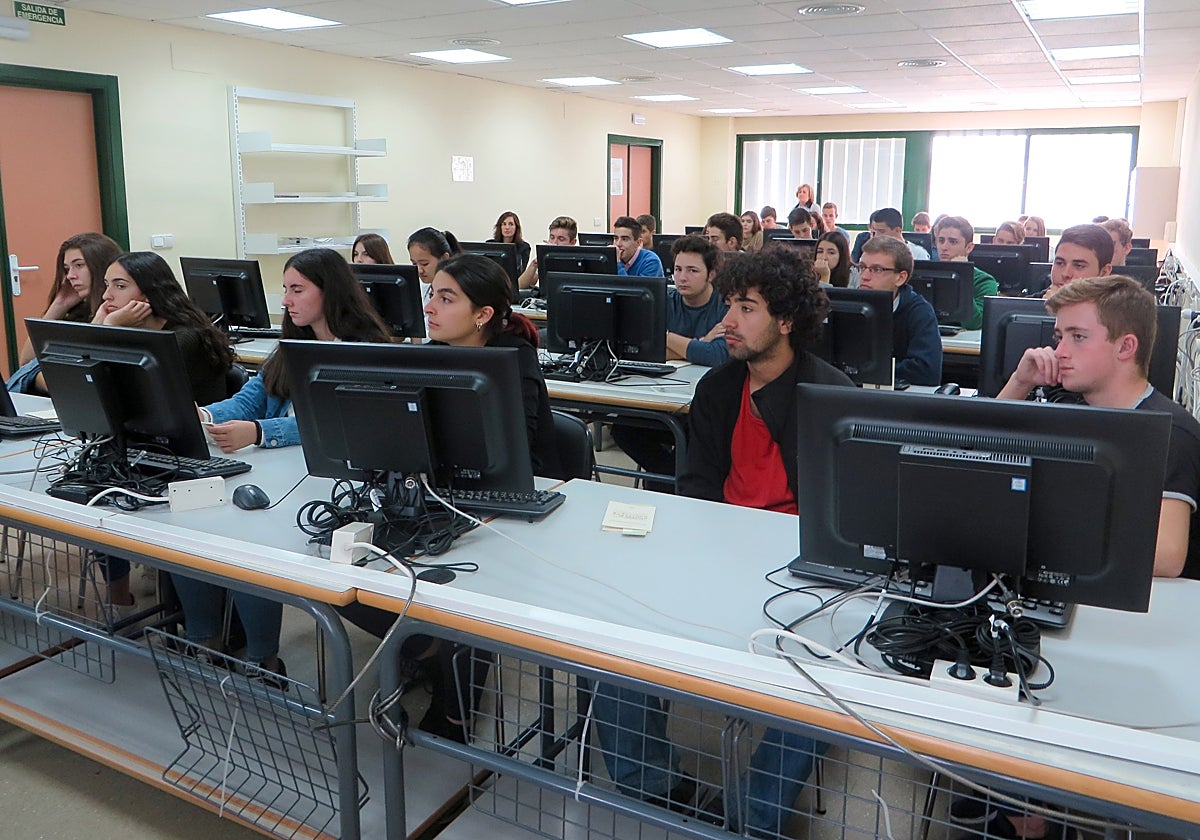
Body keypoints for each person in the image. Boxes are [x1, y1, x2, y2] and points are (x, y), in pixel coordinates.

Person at [594, 246, 853, 836]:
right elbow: (697, 486)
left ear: (786, 321)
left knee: (823, 677)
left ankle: (751, 817)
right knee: (604, 631)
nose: (728, 321)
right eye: (730, 305)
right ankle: (653, 785)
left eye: (747, 308)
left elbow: (840, 517)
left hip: (798, 567)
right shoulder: (717, 387)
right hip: (718, 550)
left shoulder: (828, 396)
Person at [342, 253, 559, 739]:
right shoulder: (430, 349)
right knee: (341, 579)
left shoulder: (513, 358)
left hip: (513, 504)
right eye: (430, 294)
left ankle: (453, 685)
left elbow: (515, 447)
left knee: (465, 589)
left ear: (483, 314)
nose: (429, 306)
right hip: (439, 492)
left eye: (446, 297)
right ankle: (431, 649)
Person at [184, 248, 392, 679]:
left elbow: (339, 424)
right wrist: (205, 415)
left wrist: (260, 432)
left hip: (331, 482)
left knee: (251, 540)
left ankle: (263, 657)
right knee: (192, 527)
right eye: (286, 289)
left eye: (297, 290)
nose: (286, 300)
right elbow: (250, 397)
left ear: (329, 293)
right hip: (278, 474)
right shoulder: (293, 346)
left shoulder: (365, 350)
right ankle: (205, 637)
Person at [997, 274, 1200, 580]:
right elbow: (981, 455)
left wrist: (1034, 536)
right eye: (1059, 337)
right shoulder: (1074, 408)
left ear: (1125, 347)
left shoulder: (1169, 434)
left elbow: (1167, 556)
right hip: (1085, 577)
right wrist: (1020, 382)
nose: (1060, 351)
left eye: (1077, 337)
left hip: (1152, 603)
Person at [93, 251, 235, 618]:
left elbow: (123, 396)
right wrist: (105, 325)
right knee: (95, 483)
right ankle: (119, 598)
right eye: (106, 285)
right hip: (147, 451)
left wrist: (109, 330)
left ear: (149, 294)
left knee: (107, 481)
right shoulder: (135, 333)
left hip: (193, 462)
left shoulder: (184, 339)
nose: (107, 295)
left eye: (119, 286)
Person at [611, 236, 728, 493]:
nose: (682, 277)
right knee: (622, 428)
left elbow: (718, 356)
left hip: (705, 403)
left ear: (712, 274)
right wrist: (698, 343)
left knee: (693, 436)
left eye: (692, 270)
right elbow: (643, 351)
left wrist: (667, 338)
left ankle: (670, 484)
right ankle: (672, 478)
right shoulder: (663, 300)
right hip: (663, 397)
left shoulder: (724, 305)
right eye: (677, 269)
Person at [10, 232, 123, 395]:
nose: (70, 276)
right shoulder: (79, 312)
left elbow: (82, 379)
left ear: (102, 266)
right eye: (67, 268)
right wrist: (59, 305)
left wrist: (36, 377)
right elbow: (26, 363)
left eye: (79, 265)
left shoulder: (119, 312)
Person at [858, 235, 943, 385]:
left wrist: (867, 369)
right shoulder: (849, 306)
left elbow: (926, 371)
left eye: (876, 269)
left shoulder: (920, 312)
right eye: (862, 267)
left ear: (900, 278)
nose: (864, 276)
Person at [932, 215, 999, 331]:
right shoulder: (926, 273)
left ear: (969, 247)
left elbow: (975, 323)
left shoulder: (985, 281)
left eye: (953, 242)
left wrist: (962, 277)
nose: (944, 247)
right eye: (941, 240)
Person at [1043, 223, 1113, 299]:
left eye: (1079, 266)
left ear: (1104, 273)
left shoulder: (1120, 309)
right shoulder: (1030, 305)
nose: (1065, 274)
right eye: (1060, 263)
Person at [517, 215, 577, 290]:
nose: (554, 243)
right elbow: (521, 286)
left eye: (561, 239)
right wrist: (535, 263)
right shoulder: (547, 258)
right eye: (552, 237)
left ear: (573, 242)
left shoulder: (578, 262)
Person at [408, 227, 462, 301]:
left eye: (424, 264)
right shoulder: (422, 289)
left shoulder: (460, 291)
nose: (419, 270)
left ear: (444, 258)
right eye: (414, 264)